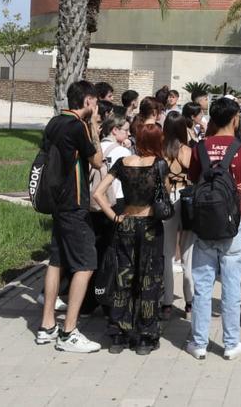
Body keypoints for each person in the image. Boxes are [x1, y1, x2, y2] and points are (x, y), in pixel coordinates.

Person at [185, 98, 241, 360]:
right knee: (231, 286)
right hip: (234, 222)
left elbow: (193, 179)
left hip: (204, 223)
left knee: (203, 285)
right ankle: (230, 343)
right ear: (234, 119)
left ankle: (198, 343)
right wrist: (237, 186)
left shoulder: (200, 148)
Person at [37, 81, 104, 353]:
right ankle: (69, 332)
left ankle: (47, 325)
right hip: (75, 204)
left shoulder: (55, 122)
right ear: (88, 101)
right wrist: (95, 130)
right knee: (85, 265)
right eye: (95, 103)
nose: (97, 107)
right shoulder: (78, 126)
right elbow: (97, 161)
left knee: (57, 261)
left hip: (57, 202)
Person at [91, 122, 165, 355]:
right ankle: (145, 336)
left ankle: (118, 334)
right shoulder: (159, 165)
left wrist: (114, 217)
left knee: (123, 277)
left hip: (127, 224)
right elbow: (164, 196)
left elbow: (97, 193)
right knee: (148, 279)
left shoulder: (123, 163)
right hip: (150, 226)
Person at [159, 113, 196, 319]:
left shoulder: (161, 150)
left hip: (167, 201)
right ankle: (190, 302)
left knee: (167, 254)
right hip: (187, 199)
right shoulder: (188, 151)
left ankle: (166, 303)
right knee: (189, 254)